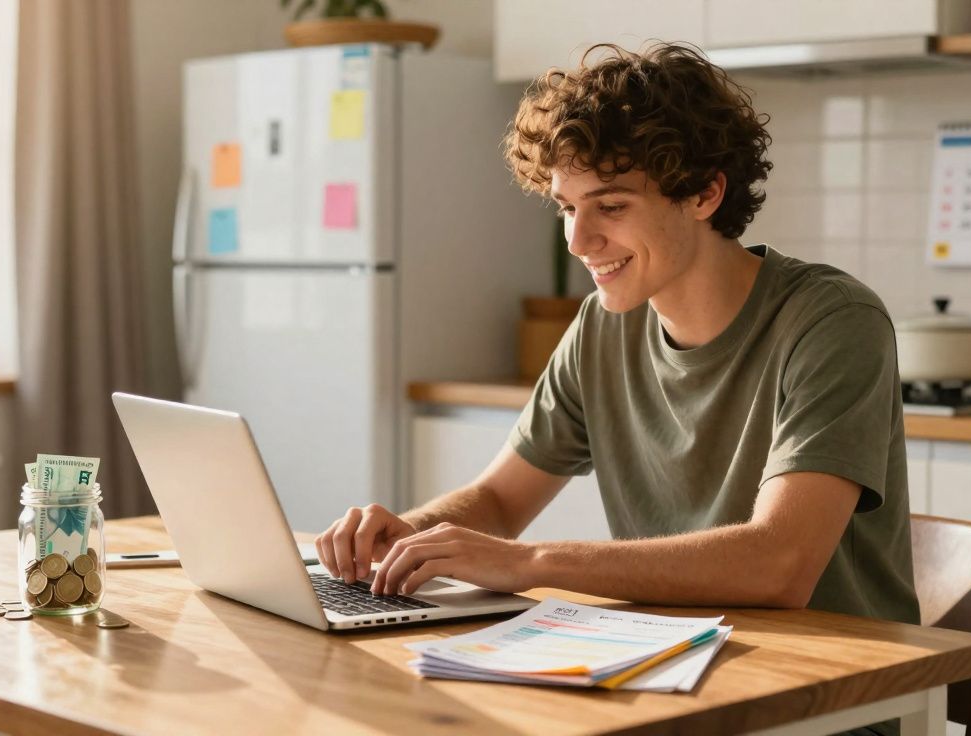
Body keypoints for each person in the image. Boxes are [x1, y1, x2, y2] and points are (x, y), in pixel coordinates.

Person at [317, 42, 919, 632]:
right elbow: (500, 502)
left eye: (610, 206)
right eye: (566, 208)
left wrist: (529, 563)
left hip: (836, 699)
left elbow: (780, 564)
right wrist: (407, 536)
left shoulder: (831, 320)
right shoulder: (603, 326)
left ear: (705, 193)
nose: (578, 241)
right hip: (661, 662)